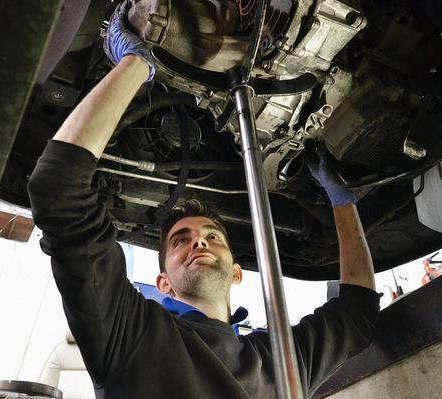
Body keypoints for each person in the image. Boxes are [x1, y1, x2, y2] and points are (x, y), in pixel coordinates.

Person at [27, 2, 379, 398]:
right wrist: (137, 64)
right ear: (163, 283)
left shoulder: (278, 359)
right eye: (181, 241)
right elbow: (57, 188)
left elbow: (358, 315)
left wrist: (342, 202)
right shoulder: (129, 334)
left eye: (213, 237)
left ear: (236, 272)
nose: (199, 241)